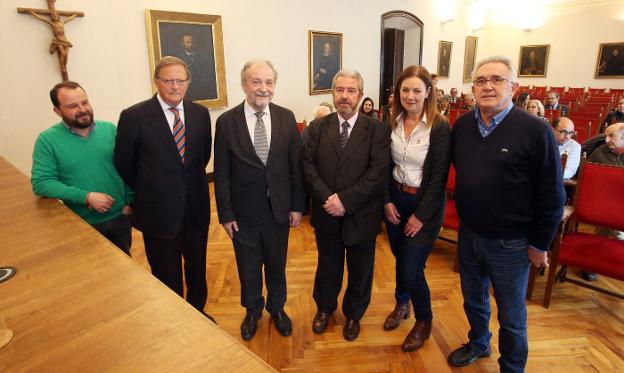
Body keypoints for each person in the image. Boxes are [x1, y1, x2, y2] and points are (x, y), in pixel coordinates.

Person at [449, 55, 565, 371]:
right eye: (482, 80)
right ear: (472, 87)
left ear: (513, 87)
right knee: (473, 301)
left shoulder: (536, 130)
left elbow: (553, 196)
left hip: (511, 244)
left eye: (497, 79)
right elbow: (466, 173)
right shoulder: (461, 126)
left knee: (512, 315)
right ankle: (478, 343)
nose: (488, 86)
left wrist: (540, 244)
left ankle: (512, 366)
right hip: (469, 233)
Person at [114, 56, 214, 320]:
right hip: (158, 212)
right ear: (156, 81)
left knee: (197, 268)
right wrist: (153, 188)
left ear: (188, 82)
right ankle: (175, 319)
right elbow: (124, 163)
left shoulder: (200, 114)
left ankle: (197, 313)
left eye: (180, 80)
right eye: (168, 80)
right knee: (166, 273)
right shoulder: (134, 116)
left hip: (195, 208)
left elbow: (201, 157)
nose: (174, 86)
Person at [214, 60, 306, 340]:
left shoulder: (286, 117)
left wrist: (298, 206)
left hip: (279, 210)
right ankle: (252, 310)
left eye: (268, 82)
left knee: (277, 264)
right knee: (248, 265)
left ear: (274, 86)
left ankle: (277, 308)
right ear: (244, 85)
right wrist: (226, 214)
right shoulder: (226, 122)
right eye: (256, 82)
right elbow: (221, 173)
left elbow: (296, 167)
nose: (263, 88)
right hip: (243, 213)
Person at [301, 69, 390, 342]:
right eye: (339, 90)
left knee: (361, 269)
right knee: (328, 265)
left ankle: (354, 315)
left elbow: (377, 171)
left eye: (351, 90)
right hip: (327, 212)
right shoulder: (317, 127)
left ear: (361, 95)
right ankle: (324, 309)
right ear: (333, 93)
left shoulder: (377, 129)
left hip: (361, 214)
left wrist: (346, 200)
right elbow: (307, 165)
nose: (344, 96)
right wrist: (329, 198)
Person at [381, 65, 451, 352]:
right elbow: (385, 167)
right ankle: (402, 303)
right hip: (395, 201)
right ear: (398, 92)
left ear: (428, 93)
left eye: (416, 90)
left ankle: (424, 321)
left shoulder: (439, 125)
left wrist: (421, 216)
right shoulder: (391, 121)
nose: (410, 96)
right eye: (405, 90)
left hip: (425, 206)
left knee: (412, 268)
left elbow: (439, 178)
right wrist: (385, 201)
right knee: (400, 257)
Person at [32, 81, 133, 255]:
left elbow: (126, 167)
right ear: (57, 111)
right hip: (82, 223)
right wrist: (86, 197)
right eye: (72, 106)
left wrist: (130, 202)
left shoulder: (110, 129)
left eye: (84, 102)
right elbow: (41, 183)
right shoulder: (47, 140)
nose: (82, 109)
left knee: (126, 269)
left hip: (120, 218)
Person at [175, 34, 217, 101]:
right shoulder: (179, 58)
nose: (190, 44)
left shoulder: (201, 55)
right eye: (188, 42)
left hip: (201, 86)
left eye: (192, 42)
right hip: (188, 88)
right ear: (182, 44)